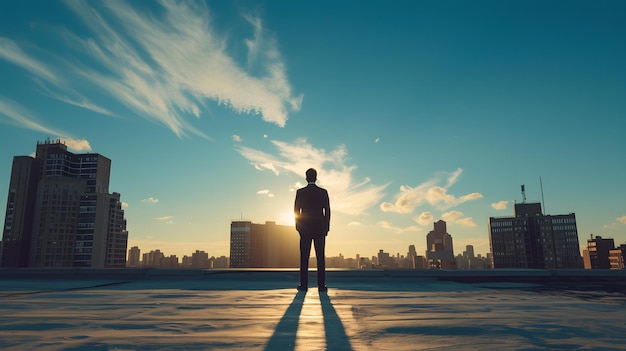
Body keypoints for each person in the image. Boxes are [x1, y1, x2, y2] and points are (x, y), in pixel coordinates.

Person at [294, 168, 331, 292]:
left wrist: (298, 226)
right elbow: (327, 211)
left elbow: (296, 211)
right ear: (316, 178)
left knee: (304, 257)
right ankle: (321, 286)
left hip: (305, 229)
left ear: (306, 177)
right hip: (319, 229)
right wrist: (326, 227)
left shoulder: (300, 192)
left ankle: (303, 285)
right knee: (320, 257)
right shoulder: (323, 192)